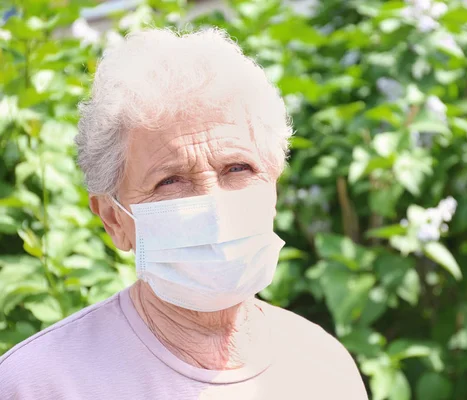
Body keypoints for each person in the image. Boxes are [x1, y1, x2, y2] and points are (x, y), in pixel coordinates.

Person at [0, 28, 368, 399]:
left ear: (274, 185)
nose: (215, 207)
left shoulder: (324, 366)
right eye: (170, 181)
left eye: (238, 169)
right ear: (113, 219)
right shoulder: (38, 384)